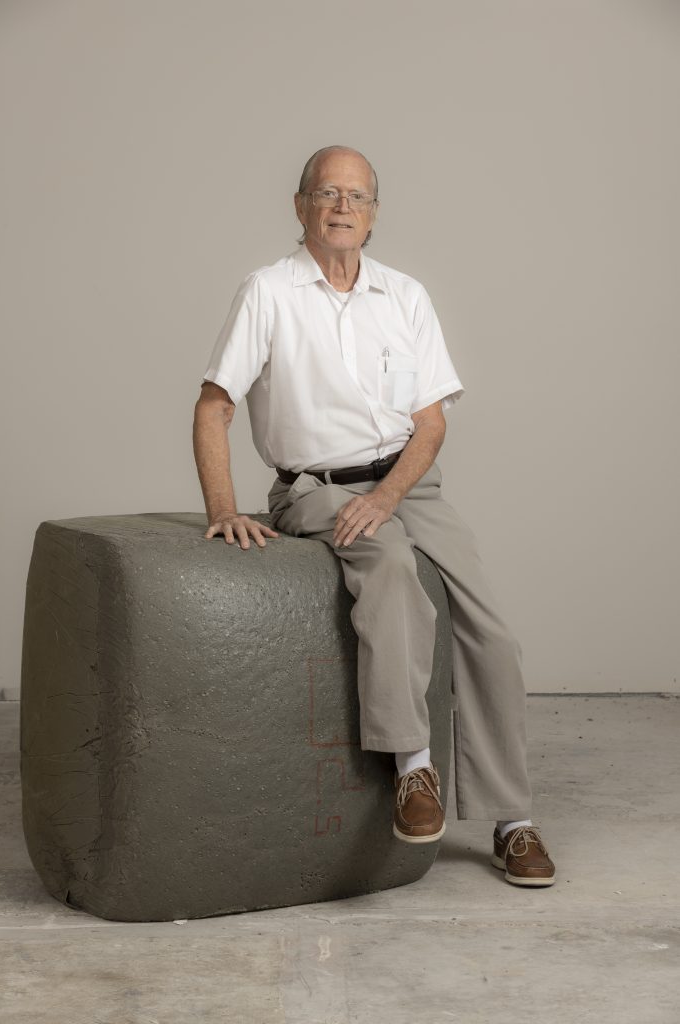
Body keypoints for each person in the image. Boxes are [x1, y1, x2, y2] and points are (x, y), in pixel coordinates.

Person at [193, 145, 555, 887]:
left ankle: (511, 819)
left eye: (356, 196)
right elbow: (213, 406)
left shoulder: (405, 296)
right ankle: (413, 769)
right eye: (326, 193)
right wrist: (223, 508)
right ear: (300, 207)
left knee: (490, 630)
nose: (341, 207)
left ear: (374, 213)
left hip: (407, 485)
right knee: (388, 567)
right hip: (316, 486)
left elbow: (428, 424)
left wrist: (389, 494)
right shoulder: (267, 292)